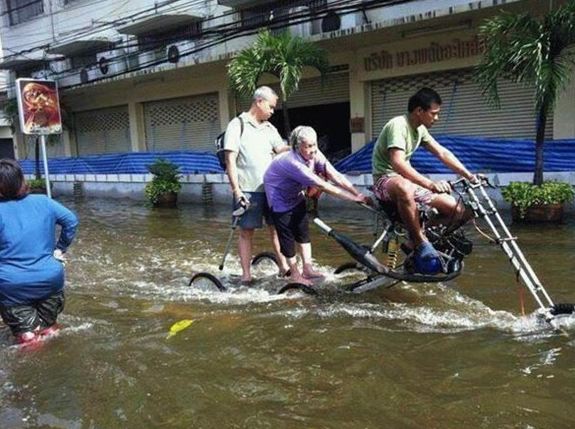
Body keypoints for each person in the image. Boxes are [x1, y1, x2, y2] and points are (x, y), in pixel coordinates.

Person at [372, 87, 479, 274]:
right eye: (434, 113)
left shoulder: (420, 129)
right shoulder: (398, 125)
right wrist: (430, 184)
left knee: (459, 210)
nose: (436, 118)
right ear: (419, 111)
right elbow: (397, 163)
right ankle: (421, 244)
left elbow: (442, 153)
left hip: (404, 182)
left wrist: (469, 175)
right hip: (385, 180)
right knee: (405, 187)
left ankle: (412, 242)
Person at [264, 126, 370, 286]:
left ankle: (308, 268)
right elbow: (323, 185)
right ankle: (295, 274)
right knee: (287, 237)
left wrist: (357, 193)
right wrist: (353, 199)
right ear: (297, 147)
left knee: (303, 232)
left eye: (315, 145)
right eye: (308, 146)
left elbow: (334, 175)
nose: (313, 150)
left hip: (295, 195)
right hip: (278, 198)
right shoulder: (293, 162)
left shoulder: (315, 154)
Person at [0, 159, 78, 345]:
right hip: (50, 277)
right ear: (21, 180)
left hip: (12, 285)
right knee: (49, 327)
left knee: (29, 339)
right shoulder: (44, 202)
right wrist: (60, 250)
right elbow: (71, 221)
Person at [224, 86, 290, 283]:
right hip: (248, 190)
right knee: (246, 232)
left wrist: (298, 144)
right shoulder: (238, 125)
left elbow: (280, 149)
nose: (272, 111)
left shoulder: (270, 128)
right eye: (270, 106)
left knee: (276, 228)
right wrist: (237, 191)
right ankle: (246, 276)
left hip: (272, 189)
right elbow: (230, 160)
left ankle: (285, 268)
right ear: (259, 102)